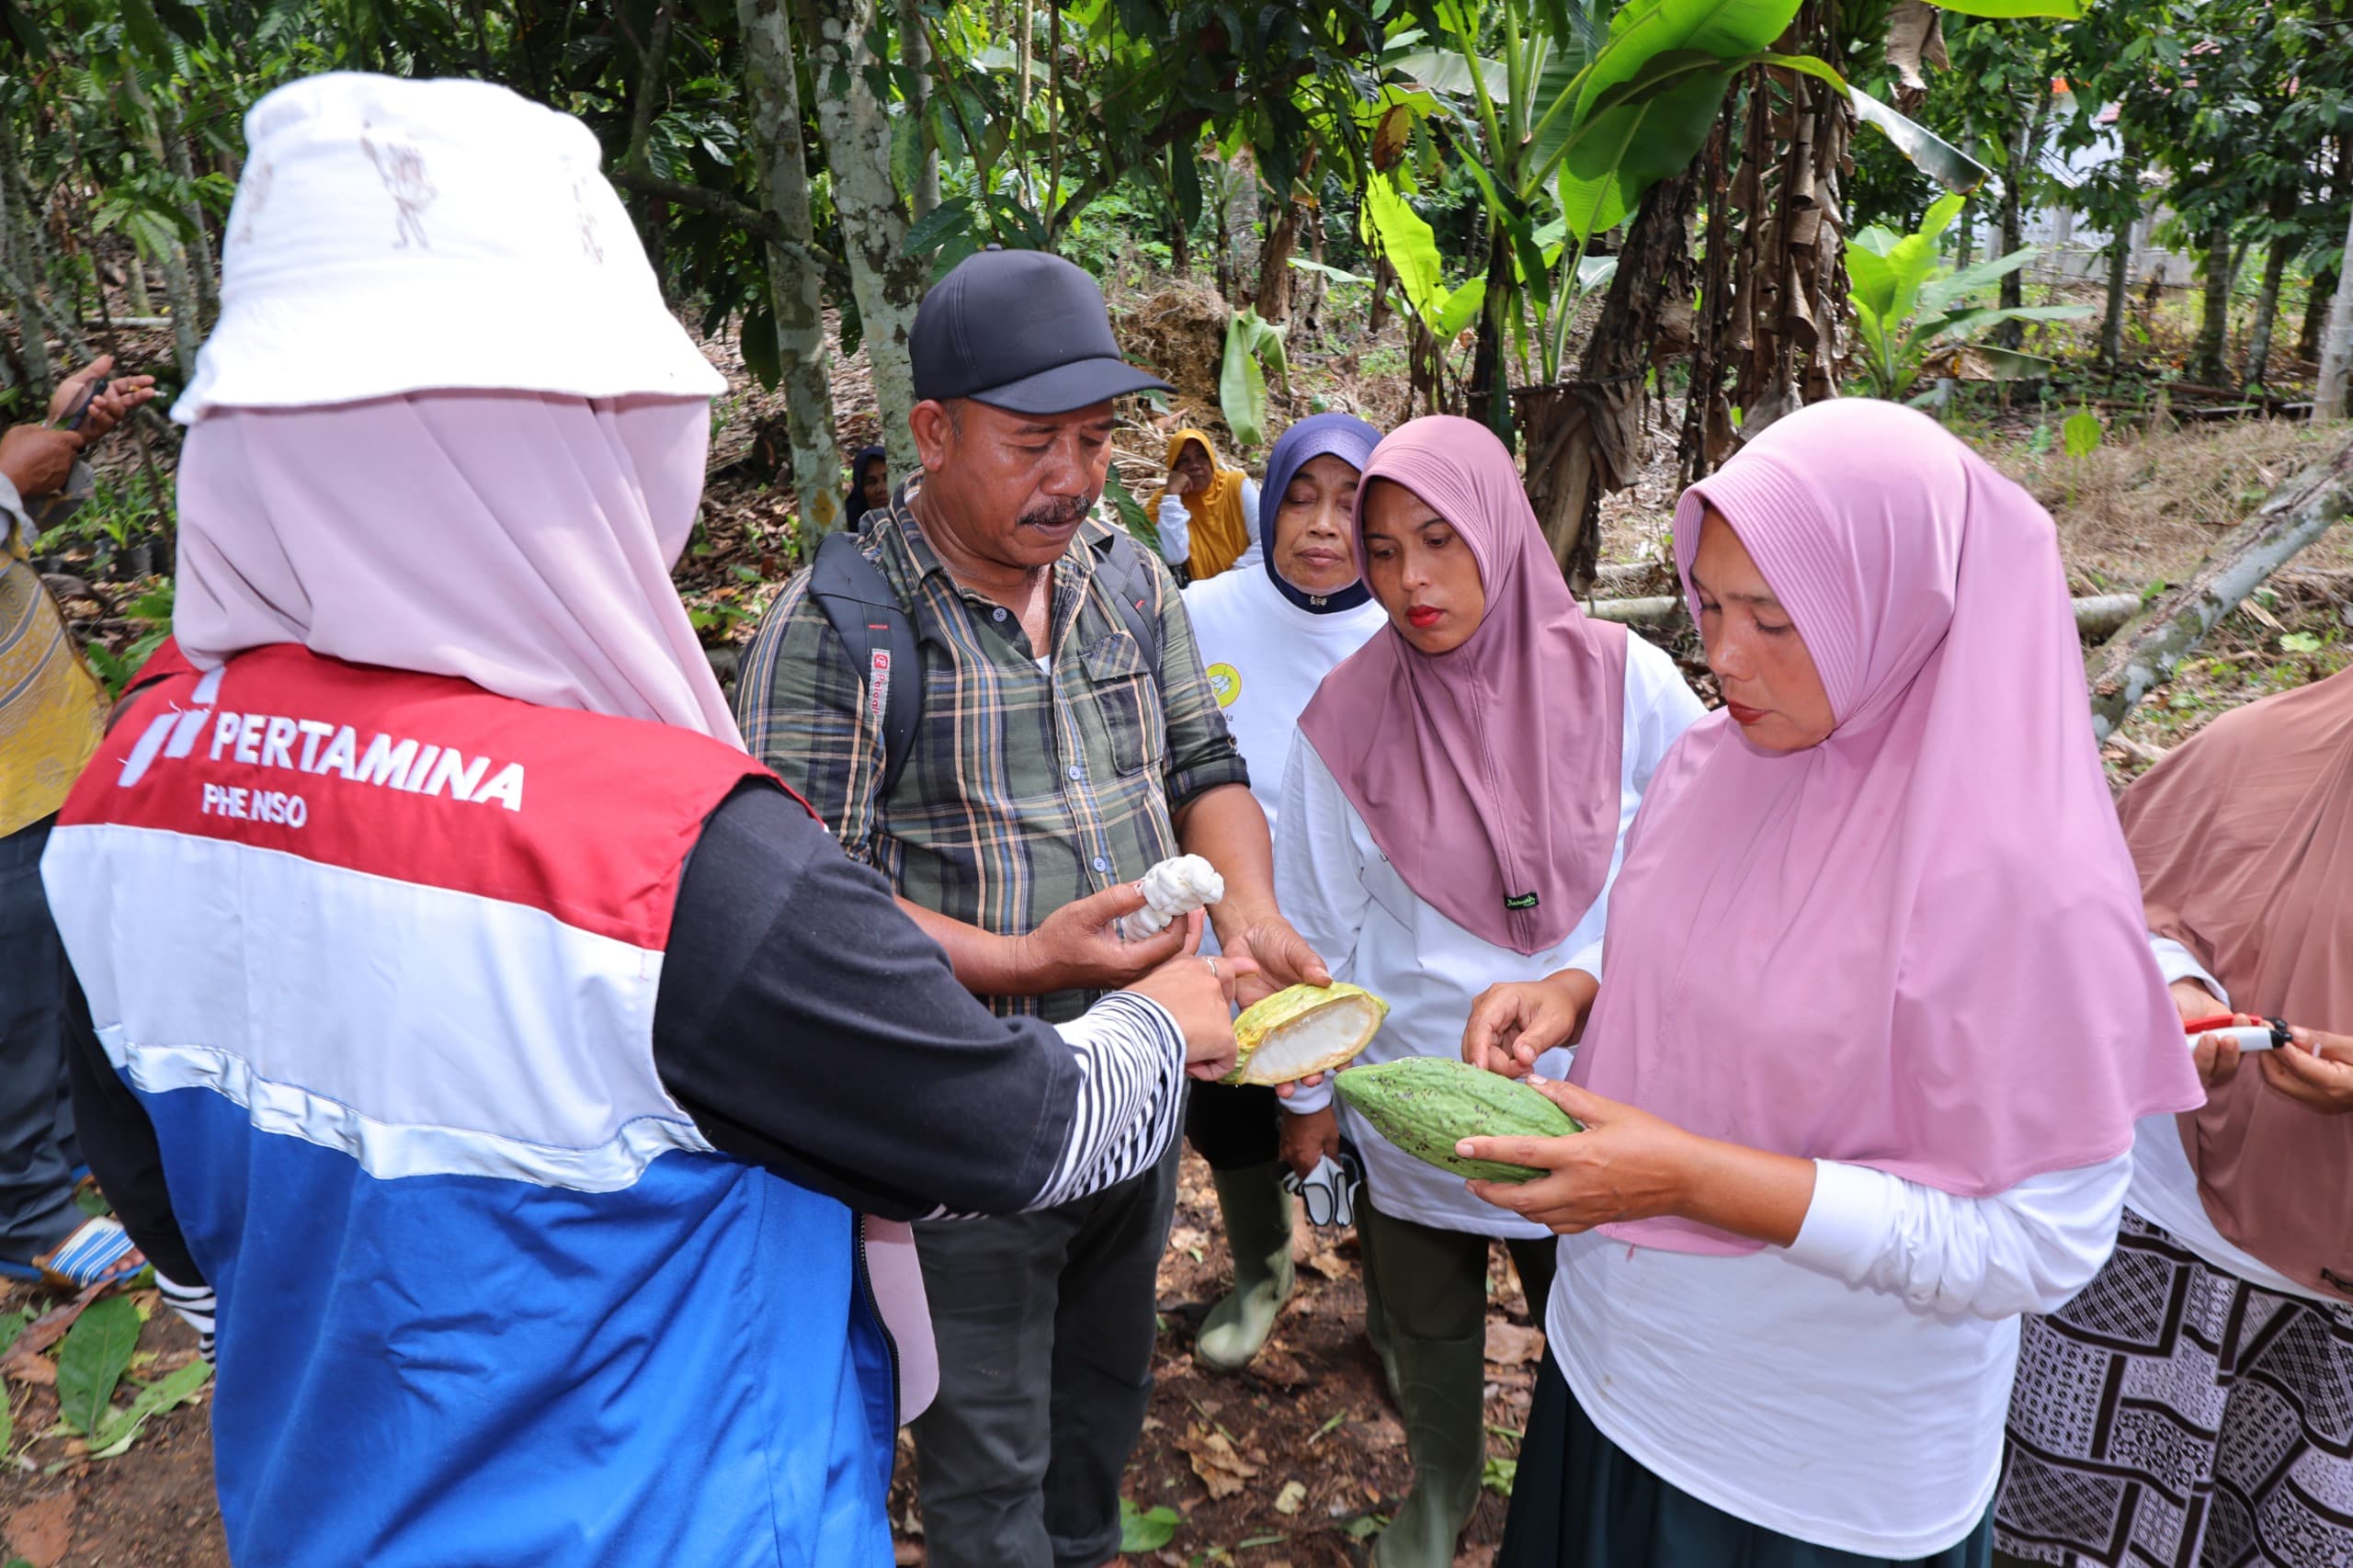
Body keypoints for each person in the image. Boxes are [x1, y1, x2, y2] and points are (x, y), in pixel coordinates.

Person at [40, 74, 1245, 1568]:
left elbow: (181, 1239)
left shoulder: (124, 797)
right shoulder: (668, 863)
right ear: (579, 445)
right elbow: (1006, 1131)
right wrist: (1171, 1022)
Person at [1455, 399, 2201, 1568]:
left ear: (1904, 612)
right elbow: (1751, 942)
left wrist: (1697, 1178)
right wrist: (1586, 987)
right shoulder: (1720, 759)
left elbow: (2036, 1243)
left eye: (1775, 617)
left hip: (1810, 1469)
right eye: (1707, 603)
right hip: (1616, 1372)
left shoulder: (2022, 880)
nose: (1724, 654)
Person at [733, 244, 1328, 1568]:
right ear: (935, 433)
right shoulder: (842, 628)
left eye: (1095, 436)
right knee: (987, 1460)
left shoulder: (1124, 575)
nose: (1074, 474)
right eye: (1033, 442)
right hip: (965, 1124)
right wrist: (1017, 958)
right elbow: (791, 908)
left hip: (1143, 1092)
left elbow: (1202, 765)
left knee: (1099, 1409)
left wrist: (1252, 910)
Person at [1272, 415, 1703, 1567]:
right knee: (1425, 1315)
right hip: (1416, 1091)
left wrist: (1592, 980)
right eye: (1382, 549)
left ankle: (1585, 1494)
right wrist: (1308, 1096)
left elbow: (1704, 879)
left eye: (1441, 538)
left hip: (1601, 1093)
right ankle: (1441, 1482)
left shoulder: (1630, 682)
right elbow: (1320, 928)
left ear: (1502, 531)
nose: (1412, 581)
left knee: (1603, 1311)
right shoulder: (1344, 722)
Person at [1995, 665, 2353, 1567]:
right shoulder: (2259, 749)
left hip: (2331, 1328)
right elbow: (2107, 906)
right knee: (2072, 1536)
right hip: (2155, 1244)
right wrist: (2176, 986)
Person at [1176, 412, 1391, 1373]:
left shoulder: (1406, 624)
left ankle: (1365, 1268)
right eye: (1299, 497)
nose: (1319, 524)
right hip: (1228, 942)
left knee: (1354, 1134)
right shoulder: (1202, 615)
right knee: (1234, 1123)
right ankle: (1265, 1266)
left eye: (1350, 504)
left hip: (1367, 938)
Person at [0, 353, 156, 1292]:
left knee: (56, 974)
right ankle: (26, 1211)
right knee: (14, 1005)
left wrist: (60, 446)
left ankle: (63, 1151)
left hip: (41, 751)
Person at [1154, 427, 1260, 581]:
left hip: (1245, 582)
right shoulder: (1162, 504)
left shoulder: (1236, 485)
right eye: (1184, 460)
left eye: (1202, 456)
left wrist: (1229, 581)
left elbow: (1266, 542)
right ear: (1174, 469)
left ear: (1211, 460)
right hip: (1196, 598)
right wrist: (1172, 497)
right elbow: (1172, 556)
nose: (1194, 465)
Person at [844, 443, 889, 529]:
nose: (882, 488)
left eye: (887, 478)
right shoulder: (849, 523)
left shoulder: (915, 512)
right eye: (871, 482)